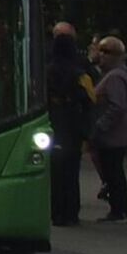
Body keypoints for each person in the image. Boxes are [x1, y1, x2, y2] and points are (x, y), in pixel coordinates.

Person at [46, 29, 96, 226]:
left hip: (51, 126)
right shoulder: (80, 75)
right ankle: (71, 212)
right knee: (71, 173)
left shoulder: (46, 71)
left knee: (55, 173)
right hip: (73, 128)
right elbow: (90, 101)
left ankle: (56, 212)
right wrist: (87, 132)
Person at [88, 36, 127, 222]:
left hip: (114, 133)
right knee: (113, 169)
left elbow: (117, 106)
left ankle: (119, 208)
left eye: (105, 51)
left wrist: (101, 125)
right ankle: (120, 207)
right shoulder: (113, 73)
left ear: (115, 55)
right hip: (115, 131)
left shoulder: (116, 76)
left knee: (113, 170)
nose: (100, 55)